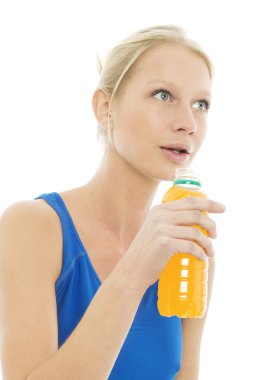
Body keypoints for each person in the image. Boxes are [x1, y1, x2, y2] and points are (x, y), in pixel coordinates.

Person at [0, 25, 226, 380]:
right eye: (163, 95)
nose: (188, 124)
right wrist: (136, 267)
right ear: (105, 108)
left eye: (201, 104)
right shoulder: (32, 227)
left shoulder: (188, 248)